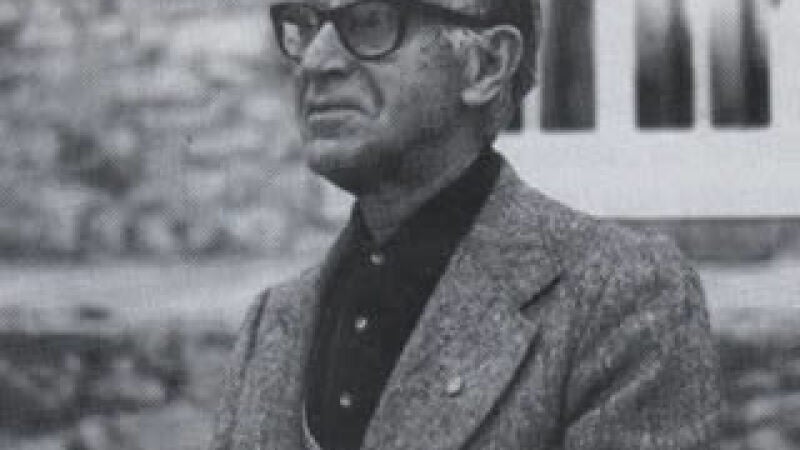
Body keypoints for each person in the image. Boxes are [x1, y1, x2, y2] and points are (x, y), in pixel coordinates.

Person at [210, 0, 722, 448]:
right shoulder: (270, 326)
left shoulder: (621, 298)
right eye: (305, 23)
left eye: (370, 20)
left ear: (486, 66)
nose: (316, 61)